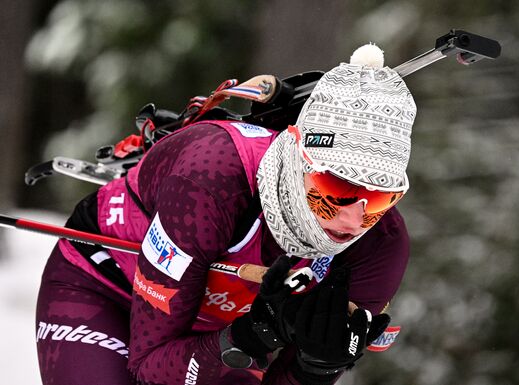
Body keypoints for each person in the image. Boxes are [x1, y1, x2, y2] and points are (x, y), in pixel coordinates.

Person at [35, 42, 416, 385]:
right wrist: (253, 335)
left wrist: (314, 368)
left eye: (382, 199)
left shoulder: (381, 246)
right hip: (105, 284)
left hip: (214, 328)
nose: (353, 222)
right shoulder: (211, 176)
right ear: (298, 156)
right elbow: (148, 368)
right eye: (338, 190)